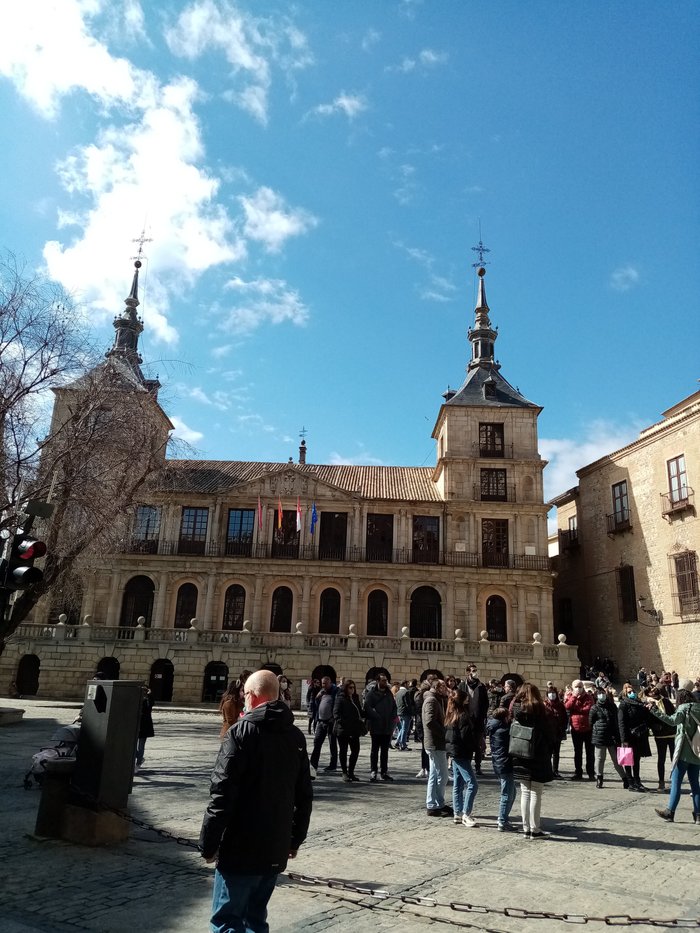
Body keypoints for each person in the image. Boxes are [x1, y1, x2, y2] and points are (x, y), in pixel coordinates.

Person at [199, 670, 313, 933]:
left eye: (245, 694)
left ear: (251, 696)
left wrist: (208, 843)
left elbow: (222, 794)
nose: (243, 698)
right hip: (275, 846)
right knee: (256, 920)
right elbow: (304, 795)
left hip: (241, 847)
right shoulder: (295, 736)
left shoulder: (240, 733)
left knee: (227, 921)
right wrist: (295, 839)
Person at [649, 686, 700, 823]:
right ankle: (698, 814)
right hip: (697, 752)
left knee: (676, 783)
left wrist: (654, 711)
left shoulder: (684, 708)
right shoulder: (698, 708)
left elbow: (672, 721)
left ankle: (670, 811)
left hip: (683, 752)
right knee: (695, 784)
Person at [509, 682, 554, 838]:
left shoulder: (516, 709)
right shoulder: (540, 711)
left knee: (525, 792)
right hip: (537, 754)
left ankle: (526, 827)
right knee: (536, 792)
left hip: (519, 754)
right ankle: (535, 829)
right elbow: (549, 733)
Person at [445, 688, 478, 826]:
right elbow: (466, 737)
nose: (468, 699)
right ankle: (466, 813)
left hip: (454, 751)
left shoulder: (451, 713)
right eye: (466, 698)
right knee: (472, 784)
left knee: (458, 784)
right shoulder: (463, 715)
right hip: (461, 752)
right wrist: (476, 747)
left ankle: (457, 813)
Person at [422, 678, 452, 816]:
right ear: (438, 687)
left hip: (438, 743)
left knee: (436, 774)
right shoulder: (431, 700)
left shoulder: (439, 699)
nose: (446, 688)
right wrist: (444, 732)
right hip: (435, 743)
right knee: (441, 775)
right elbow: (429, 722)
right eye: (444, 686)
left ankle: (437, 803)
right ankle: (433, 804)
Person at [589, 688, 627, 788]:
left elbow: (616, 721)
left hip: (612, 737)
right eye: (600, 693)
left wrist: (618, 736)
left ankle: (625, 779)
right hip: (600, 737)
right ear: (597, 696)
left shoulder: (612, 706)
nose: (602, 695)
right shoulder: (594, 708)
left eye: (603, 693)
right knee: (600, 759)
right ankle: (599, 778)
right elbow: (591, 722)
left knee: (616, 759)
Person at [617, 683, 652, 792]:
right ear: (625, 693)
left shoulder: (639, 703)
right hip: (629, 736)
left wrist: (647, 708)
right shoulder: (623, 705)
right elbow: (621, 723)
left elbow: (645, 717)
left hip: (639, 735)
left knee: (636, 759)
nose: (632, 693)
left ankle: (637, 781)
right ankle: (630, 782)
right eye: (629, 692)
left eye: (632, 691)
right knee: (628, 760)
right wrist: (624, 740)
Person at [487, 706, 516, 831]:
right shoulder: (503, 730)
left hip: (499, 763)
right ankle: (502, 821)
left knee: (512, 792)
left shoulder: (494, 728)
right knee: (507, 793)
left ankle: (504, 818)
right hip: (504, 764)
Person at [363, 672, 396, 782]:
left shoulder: (389, 694)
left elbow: (394, 707)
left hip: (387, 727)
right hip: (376, 726)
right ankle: (373, 771)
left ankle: (384, 772)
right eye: (383, 680)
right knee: (375, 750)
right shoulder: (371, 694)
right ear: (377, 681)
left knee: (385, 751)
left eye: (386, 680)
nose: (385, 682)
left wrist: (393, 718)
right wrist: (376, 716)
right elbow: (367, 707)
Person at [333, 679, 365, 782]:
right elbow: (336, 713)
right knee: (343, 751)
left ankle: (351, 772)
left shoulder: (355, 698)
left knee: (355, 751)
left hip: (354, 730)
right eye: (350, 687)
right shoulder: (340, 698)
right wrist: (345, 723)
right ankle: (344, 772)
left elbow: (360, 711)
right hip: (343, 730)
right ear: (345, 688)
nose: (352, 690)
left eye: (353, 687)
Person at [645, 687, 676, 792]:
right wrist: (655, 727)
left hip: (672, 734)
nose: (654, 693)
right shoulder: (649, 704)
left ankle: (675, 781)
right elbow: (648, 720)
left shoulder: (666, 701)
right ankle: (661, 782)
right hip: (660, 735)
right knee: (661, 759)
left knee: (674, 759)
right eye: (652, 692)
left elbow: (673, 714)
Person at [565, 679, 595, 781]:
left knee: (590, 752)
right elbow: (568, 706)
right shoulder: (571, 696)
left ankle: (591, 772)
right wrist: (574, 697)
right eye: (576, 687)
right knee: (577, 752)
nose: (578, 688)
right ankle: (578, 772)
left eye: (580, 686)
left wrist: (578, 709)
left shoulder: (588, 697)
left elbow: (589, 708)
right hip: (576, 728)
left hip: (588, 728)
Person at [309, 676, 338, 777]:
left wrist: (333, 718)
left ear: (330, 683)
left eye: (326, 683)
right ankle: (313, 764)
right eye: (323, 684)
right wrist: (317, 698)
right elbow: (316, 705)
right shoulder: (322, 692)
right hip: (321, 721)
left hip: (330, 722)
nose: (324, 685)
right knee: (317, 742)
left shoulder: (335, 691)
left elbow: (337, 706)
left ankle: (333, 764)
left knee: (332, 743)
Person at [462, 666, 488, 775]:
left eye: (476, 670)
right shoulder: (462, 685)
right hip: (465, 720)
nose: (475, 673)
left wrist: (482, 715)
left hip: (478, 720)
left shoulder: (481, 686)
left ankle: (478, 766)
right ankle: (467, 765)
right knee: (466, 744)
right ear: (468, 672)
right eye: (473, 671)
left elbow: (485, 703)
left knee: (478, 745)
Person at [544, 685, 567, 778]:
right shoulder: (544, 705)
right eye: (550, 693)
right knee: (548, 753)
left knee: (556, 753)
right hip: (548, 732)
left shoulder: (560, 705)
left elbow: (565, 718)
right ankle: (547, 770)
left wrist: (563, 728)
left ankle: (555, 771)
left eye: (553, 693)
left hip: (558, 732)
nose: (552, 695)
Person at [135, 685, 154, 770]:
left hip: (145, 726)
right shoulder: (136, 699)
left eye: (144, 690)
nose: (142, 692)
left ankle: (138, 764)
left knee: (141, 746)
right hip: (135, 725)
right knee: (132, 746)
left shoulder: (148, 700)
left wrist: (149, 695)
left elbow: (150, 705)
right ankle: (140, 758)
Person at [394, 680, 413, 750]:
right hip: (405, 713)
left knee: (402, 729)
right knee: (405, 729)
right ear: (405, 684)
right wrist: (411, 713)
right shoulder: (406, 692)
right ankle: (403, 744)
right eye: (407, 684)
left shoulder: (398, 692)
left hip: (399, 712)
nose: (408, 686)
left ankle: (398, 742)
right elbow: (407, 704)